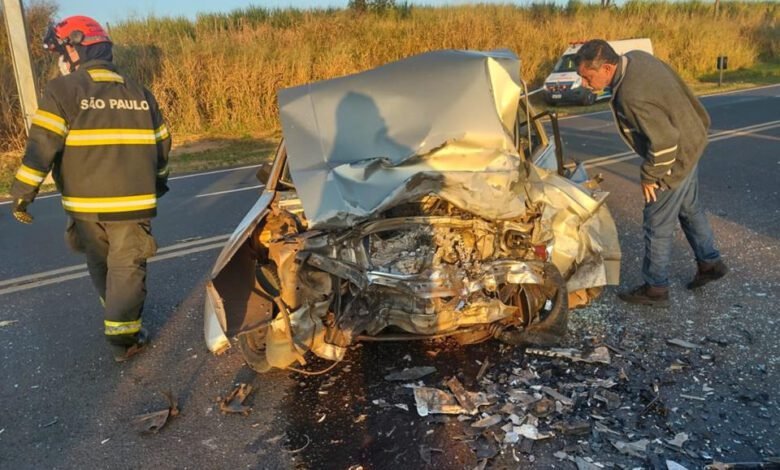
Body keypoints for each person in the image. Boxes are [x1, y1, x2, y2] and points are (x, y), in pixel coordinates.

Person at [10, 15, 171, 361]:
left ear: (75, 48)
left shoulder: (62, 91)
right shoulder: (141, 93)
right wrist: (158, 184)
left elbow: (41, 148)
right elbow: (162, 147)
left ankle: (120, 325)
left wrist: (22, 196)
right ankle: (124, 339)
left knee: (101, 263)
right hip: (133, 204)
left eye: (60, 52)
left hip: (84, 207)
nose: (59, 61)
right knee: (127, 267)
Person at [574, 39, 727, 308]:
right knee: (690, 209)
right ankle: (710, 263)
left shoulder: (630, 95)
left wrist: (650, 175)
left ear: (607, 68)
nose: (585, 84)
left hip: (674, 155)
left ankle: (655, 288)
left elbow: (665, 140)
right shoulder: (636, 58)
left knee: (656, 223)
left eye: (588, 77)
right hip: (692, 140)